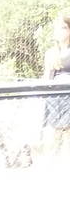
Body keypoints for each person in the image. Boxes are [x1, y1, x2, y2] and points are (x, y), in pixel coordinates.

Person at [43, 12, 70, 161]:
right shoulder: (51, 53)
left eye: (64, 27)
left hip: (69, 97)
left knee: (68, 138)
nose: (61, 31)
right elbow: (47, 78)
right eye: (58, 28)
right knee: (52, 138)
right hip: (54, 99)